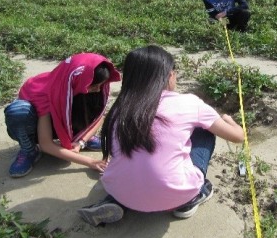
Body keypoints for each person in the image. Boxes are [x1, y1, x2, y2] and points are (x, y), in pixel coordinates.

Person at [78, 45, 244, 225]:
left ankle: (115, 201)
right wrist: (228, 119)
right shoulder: (189, 103)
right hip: (174, 194)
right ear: (170, 75)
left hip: (117, 189)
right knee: (205, 131)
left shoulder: (120, 108)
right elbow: (238, 137)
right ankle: (190, 198)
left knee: (134, 160)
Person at [4, 53, 121, 178]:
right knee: (18, 111)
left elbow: (99, 116)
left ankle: (78, 135)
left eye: (101, 85)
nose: (98, 89)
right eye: (94, 86)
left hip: (65, 121)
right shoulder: (42, 91)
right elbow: (46, 144)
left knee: (86, 99)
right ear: (78, 80)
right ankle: (29, 150)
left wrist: (81, 141)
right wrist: (90, 162)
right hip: (39, 126)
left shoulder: (87, 84)